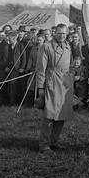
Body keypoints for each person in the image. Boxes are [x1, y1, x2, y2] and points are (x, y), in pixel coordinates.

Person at [36, 24, 74, 154]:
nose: (62, 36)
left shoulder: (68, 46)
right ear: (54, 33)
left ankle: (53, 141)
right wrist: (40, 87)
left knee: (61, 115)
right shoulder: (46, 47)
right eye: (59, 33)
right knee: (49, 115)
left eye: (64, 33)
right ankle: (44, 145)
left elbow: (70, 65)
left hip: (65, 83)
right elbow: (41, 70)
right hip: (52, 82)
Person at [6, 31, 26, 105]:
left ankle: (14, 103)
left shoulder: (20, 45)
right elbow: (7, 58)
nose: (8, 39)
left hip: (17, 69)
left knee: (14, 85)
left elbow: (24, 58)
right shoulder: (8, 46)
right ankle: (10, 102)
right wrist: (7, 66)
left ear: (14, 38)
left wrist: (22, 67)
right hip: (10, 69)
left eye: (10, 37)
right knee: (9, 86)